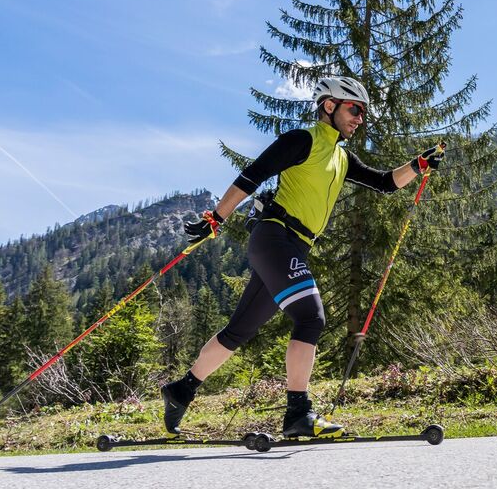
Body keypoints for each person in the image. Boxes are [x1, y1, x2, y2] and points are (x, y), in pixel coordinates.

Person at [161, 76, 444, 439]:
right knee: (310, 316)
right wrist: (216, 218)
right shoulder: (302, 141)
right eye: (354, 109)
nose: (359, 118)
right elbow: (252, 176)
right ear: (330, 106)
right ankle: (299, 413)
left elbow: (385, 183)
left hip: (291, 246)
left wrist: (418, 165)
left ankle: (182, 389)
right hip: (276, 235)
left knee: (240, 330)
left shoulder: (341, 156)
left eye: (363, 113)